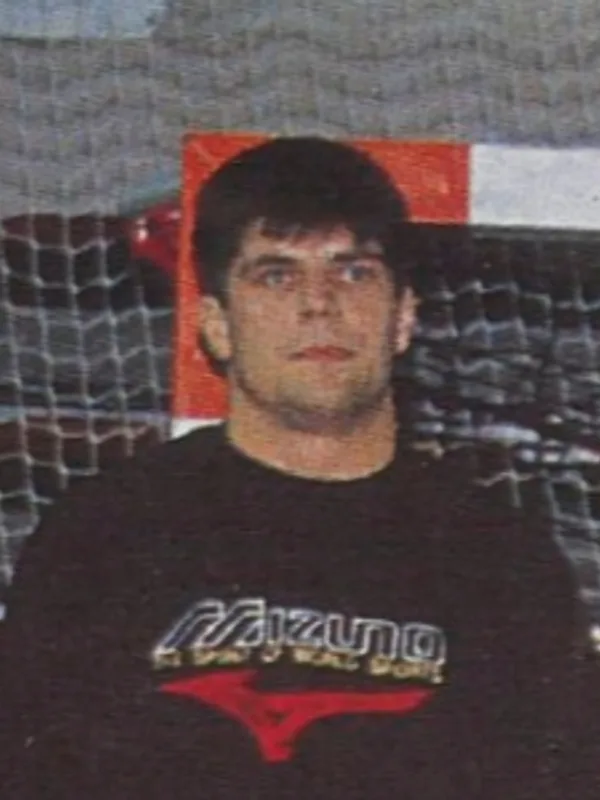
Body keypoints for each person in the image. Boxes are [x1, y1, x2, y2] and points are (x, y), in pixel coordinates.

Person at [0, 136, 597, 800]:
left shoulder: (502, 559)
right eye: (277, 276)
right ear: (216, 325)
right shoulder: (104, 537)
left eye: (354, 272)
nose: (319, 303)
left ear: (403, 317)